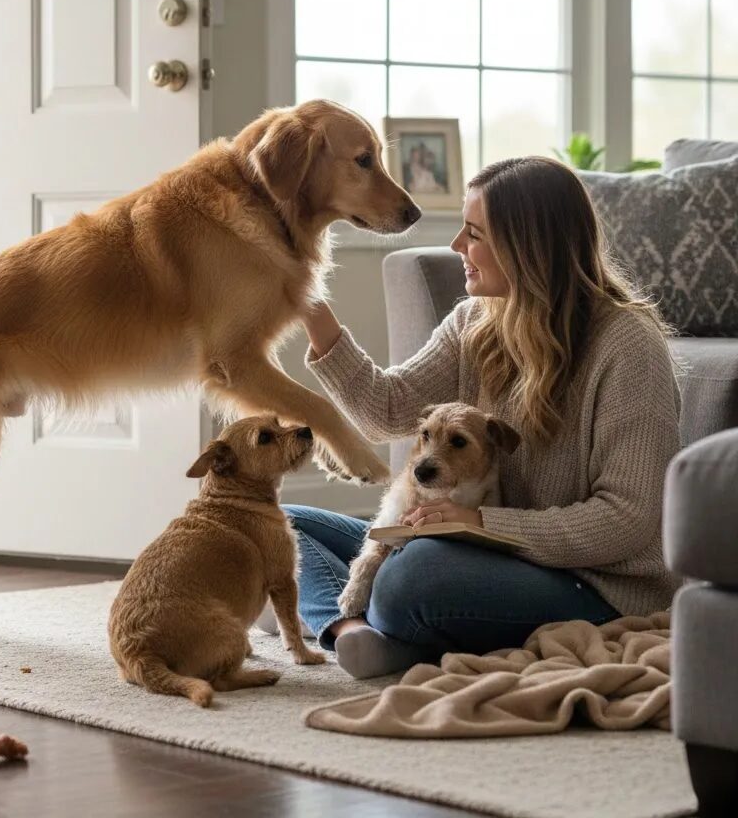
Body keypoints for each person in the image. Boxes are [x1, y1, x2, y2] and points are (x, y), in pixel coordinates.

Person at [280, 156, 681, 679]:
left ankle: (371, 621)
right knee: (277, 526)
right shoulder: (476, 321)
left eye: (473, 234)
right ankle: (354, 632)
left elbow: (628, 519)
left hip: (594, 583)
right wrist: (305, 299)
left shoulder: (628, 345)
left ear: (528, 247)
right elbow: (387, 410)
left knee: (412, 577)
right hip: (489, 557)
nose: (456, 249)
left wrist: (480, 524)